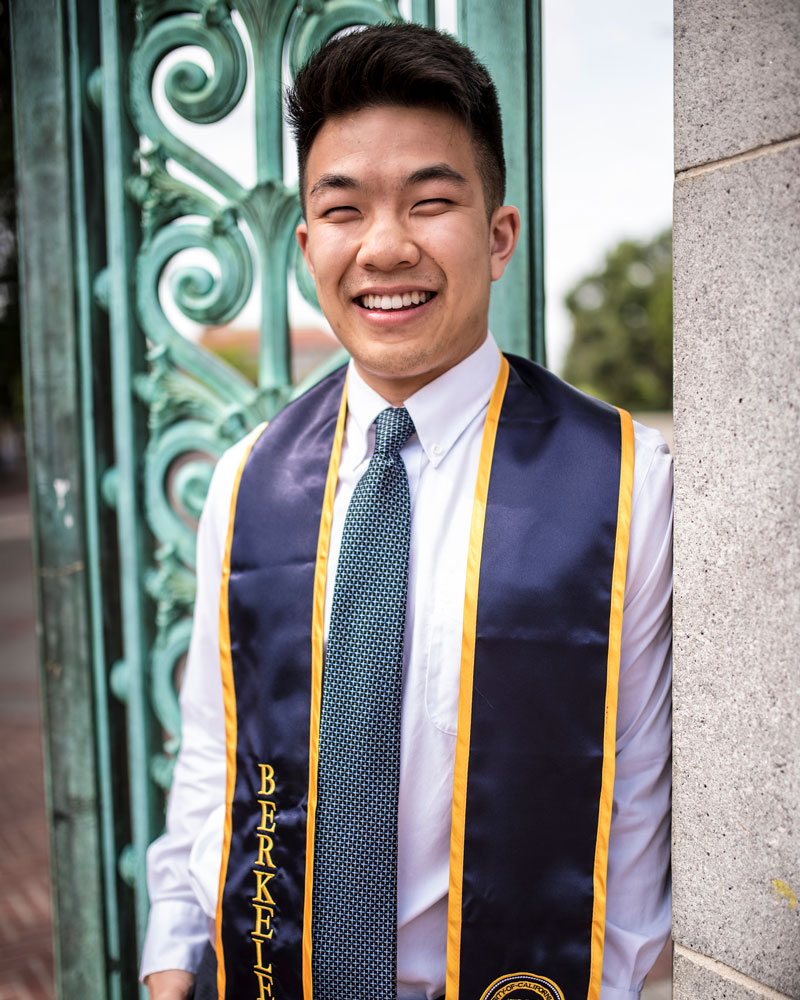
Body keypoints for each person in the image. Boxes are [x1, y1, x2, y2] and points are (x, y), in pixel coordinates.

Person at [141, 23, 672, 1000]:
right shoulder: (246, 481)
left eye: (430, 203)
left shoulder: (628, 483)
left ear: (497, 234)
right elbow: (219, 767)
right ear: (307, 245)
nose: (384, 247)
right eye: (342, 211)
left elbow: (637, 811)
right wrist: (172, 967)